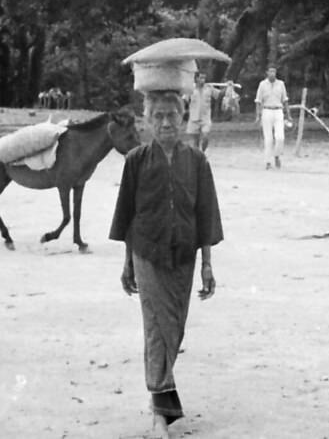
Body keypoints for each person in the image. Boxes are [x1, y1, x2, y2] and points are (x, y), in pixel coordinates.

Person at [109, 90, 223, 438]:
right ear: (146, 122)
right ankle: (160, 414)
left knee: (174, 330)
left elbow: (206, 216)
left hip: (184, 256)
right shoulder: (135, 161)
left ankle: (164, 402)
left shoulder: (197, 162)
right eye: (157, 115)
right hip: (147, 253)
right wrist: (128, 263)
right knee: (156, 329)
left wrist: (206, 264)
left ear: (183, 118)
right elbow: (126, 217)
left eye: (172, 115)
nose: (165, 122)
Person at [254, 66, 293, 169]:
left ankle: (276, 155)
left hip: (278, 111)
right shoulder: (262, 84)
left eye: (274, 71)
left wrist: (288, 115)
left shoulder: (281, 84)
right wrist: (258, 115)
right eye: (270, 71)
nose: (272, 73)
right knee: (268, 139)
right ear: (267, 73)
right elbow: (258, 101)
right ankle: (267, 162)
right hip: (266, 111)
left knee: (280, 137)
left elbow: (285, 100)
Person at [184, 72, 222, 152]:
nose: (203, 80)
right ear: (196, 79)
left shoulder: (209, 88)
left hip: (205, 118)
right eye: (201, 78)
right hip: (194, 118)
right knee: (195, 143)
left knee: (205, 136)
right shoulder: (190, 89)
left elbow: (219, 95)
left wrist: (228, 87)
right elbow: (185, 101)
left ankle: (203, 152)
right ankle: (197, 157)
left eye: (204, 78)